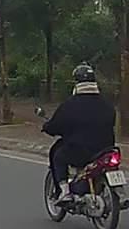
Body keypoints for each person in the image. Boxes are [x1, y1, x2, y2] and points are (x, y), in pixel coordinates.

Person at [43, 64, 116, 202]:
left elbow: (55, 125)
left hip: (80, 151)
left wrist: (47, 127)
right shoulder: (107, 104)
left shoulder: (69, 105)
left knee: (58, 156)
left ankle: (65, 191)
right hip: (106, 150)